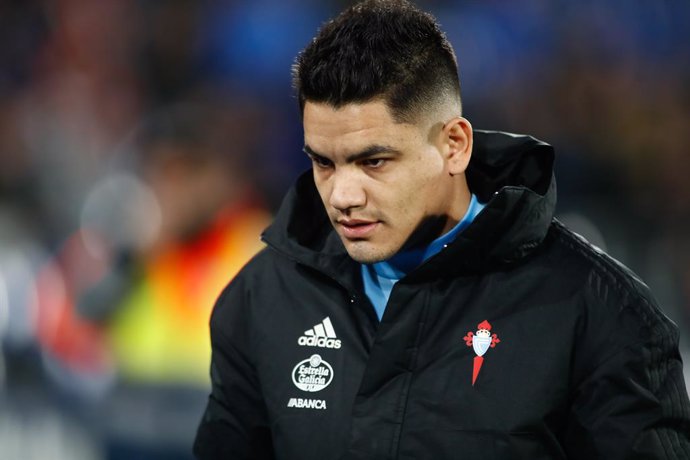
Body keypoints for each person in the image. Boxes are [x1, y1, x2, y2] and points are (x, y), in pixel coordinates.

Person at [193, 1, 690, 458]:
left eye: (375, 161)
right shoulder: (262, 299)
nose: (343, 196)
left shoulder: (601, 315)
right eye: (324, 163)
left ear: (454, 145)